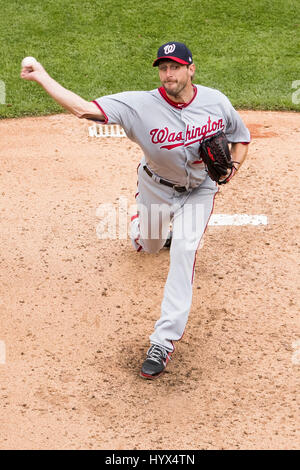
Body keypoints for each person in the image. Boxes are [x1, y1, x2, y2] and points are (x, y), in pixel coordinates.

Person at [21, 41, 250, 380]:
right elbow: (84, 109)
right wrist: (42, 77)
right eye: (163, 67)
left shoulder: (216, 102)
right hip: (156, 188)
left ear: (191, 69)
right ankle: (140, 228)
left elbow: (240, 138)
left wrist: (233, 169)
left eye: (174, 66)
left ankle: (163, 341)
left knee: (185, 250)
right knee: (150, 244)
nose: (168, 73)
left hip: (200, 191)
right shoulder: (140, 105)